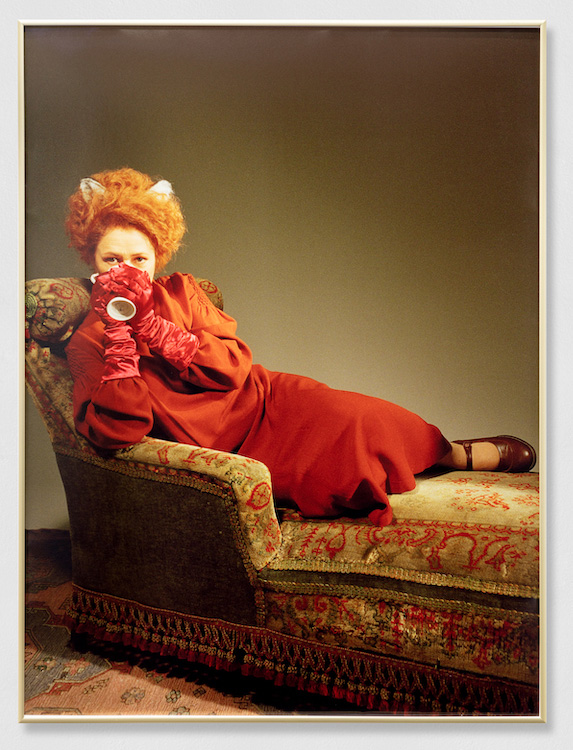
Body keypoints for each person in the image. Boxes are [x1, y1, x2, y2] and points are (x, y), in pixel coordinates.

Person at [65, 167, 536, 527]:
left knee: (360, 417)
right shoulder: (88, 339)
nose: (127, 270)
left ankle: (449, 453)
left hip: (263, 402)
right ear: (93, 260)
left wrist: (154, 327)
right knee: (339, 479)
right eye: (112, 259)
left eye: (139, 258)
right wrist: (120, 337)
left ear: (156, 257)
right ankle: (421, 461)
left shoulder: (182, 290)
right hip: (224, 449)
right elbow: (119, 431)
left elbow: (232, 369)